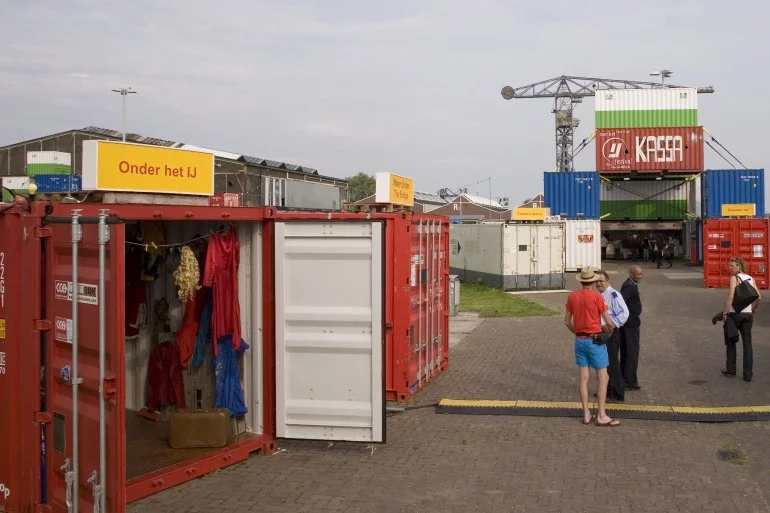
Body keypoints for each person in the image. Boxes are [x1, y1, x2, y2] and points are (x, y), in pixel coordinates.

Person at [564, 267, 620, 427]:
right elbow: (609, 322)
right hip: (595, 340)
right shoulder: (597, 297)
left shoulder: (572, 296)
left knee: (583, 377)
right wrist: (608, 331)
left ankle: (586, 413)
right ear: (593, 281)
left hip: (580, 341)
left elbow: (567, 321)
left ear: (581, 280)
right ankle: (601, 414)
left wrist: (577, 332)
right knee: (603, 377)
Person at [722, 257, 761, 382]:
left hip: (734, 315)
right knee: (747, 344)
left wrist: (725, 312)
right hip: (748, 315)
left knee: (731, 342)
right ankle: (748, 374)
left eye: (732, 266)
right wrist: (754, 309)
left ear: (739, 266)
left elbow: (731, 296)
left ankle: (731, 370)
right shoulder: (750, 278)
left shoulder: (734, 278)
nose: (730, 268)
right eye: (729, 266)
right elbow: (759, 297)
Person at [595, 270, 629, 402]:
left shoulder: (613, 294)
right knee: (604, 363)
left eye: (601, 281)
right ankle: (606, 390)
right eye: (597, 281)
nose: (599, 283)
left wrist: (612, 325)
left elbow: (624, 313)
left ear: (608, 281)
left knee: (612, 363)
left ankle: (618, 393)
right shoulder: (600, 294)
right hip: (601, 332)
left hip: (610, 332)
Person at [620, 265, 643, 391]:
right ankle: (629, 381)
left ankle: (627, 378)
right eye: (637, 274)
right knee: (631, 353)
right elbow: (622, 301)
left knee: (627, 352)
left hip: (628, 324)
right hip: (630, 325)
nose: (639, 276)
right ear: (631, 274)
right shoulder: (629, 286)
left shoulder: (630, 284)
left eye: (641, 274)